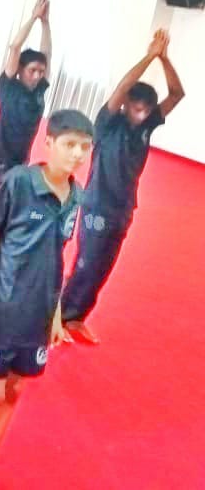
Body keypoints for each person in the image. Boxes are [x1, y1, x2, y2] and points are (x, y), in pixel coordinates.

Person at [0, 110, 92, 490]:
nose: (76, 154)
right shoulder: (20, 182)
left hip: (38, 313)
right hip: (2, 306)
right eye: (69, 144)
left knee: (15, 392)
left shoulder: (76, 196)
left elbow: (57, 256)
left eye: (84, 147)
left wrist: (56, 314)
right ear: (50, 143)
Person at [60, 30, 184, 344]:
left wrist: (165, 59)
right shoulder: (107, 124)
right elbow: (122, 87)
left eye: (147, 111)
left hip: (123, 209)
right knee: (87, 263)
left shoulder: (146, 126)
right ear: (127, 106)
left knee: (103, 268)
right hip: (97, 205)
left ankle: (76, 317)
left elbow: (177, 93)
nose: (141, 115)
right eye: (137, 109)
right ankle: (57, 317)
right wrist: (149, 56)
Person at [0, 0, 52, 184]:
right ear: (20, 70)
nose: (37, 76)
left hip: (21, 161)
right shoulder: (9, 88)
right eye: (32, 71)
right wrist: (33, 18)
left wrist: (45, 23)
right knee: (9, 195)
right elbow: (15, 48)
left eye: (41, 72)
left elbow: (47, 54)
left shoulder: (39, 91)